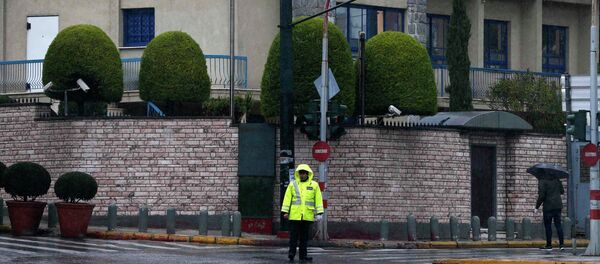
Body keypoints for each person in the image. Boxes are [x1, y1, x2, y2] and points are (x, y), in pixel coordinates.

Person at [281, 164, 324, 263]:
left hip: (307, 216)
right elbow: (287, 198)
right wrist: (285, 212)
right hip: (295, 215)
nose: (302, 175)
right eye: (300, 173)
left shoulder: (314, 185)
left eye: (304, 173)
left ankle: (303, 256)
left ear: (307, 174)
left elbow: (318, 199)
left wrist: (319, 213)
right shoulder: (293, 184)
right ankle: (291, 253)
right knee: (293, 237)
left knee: (304, 238)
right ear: (298, 173)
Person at [535, 177, 565, 250]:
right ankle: (561, 245)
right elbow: (562, 191)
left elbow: (542, 196)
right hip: (558, 206)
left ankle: (549, 245)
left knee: (548, 226)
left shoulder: (542, 180)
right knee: (558, 225)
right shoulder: (557, 179)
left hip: (548, 207)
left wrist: (536, 207)